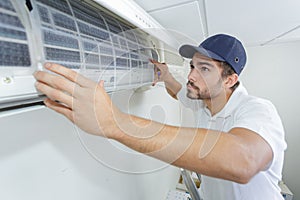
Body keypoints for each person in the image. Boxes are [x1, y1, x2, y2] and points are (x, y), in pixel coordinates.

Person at [34, 33, 287, 200]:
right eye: (192, 66)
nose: (191, 76)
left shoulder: (258, 111)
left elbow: (243, 160)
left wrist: (115, 122)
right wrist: (166, 76)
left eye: (205, 69)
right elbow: (179, 91)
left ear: (230, 80)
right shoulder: (203, 101)